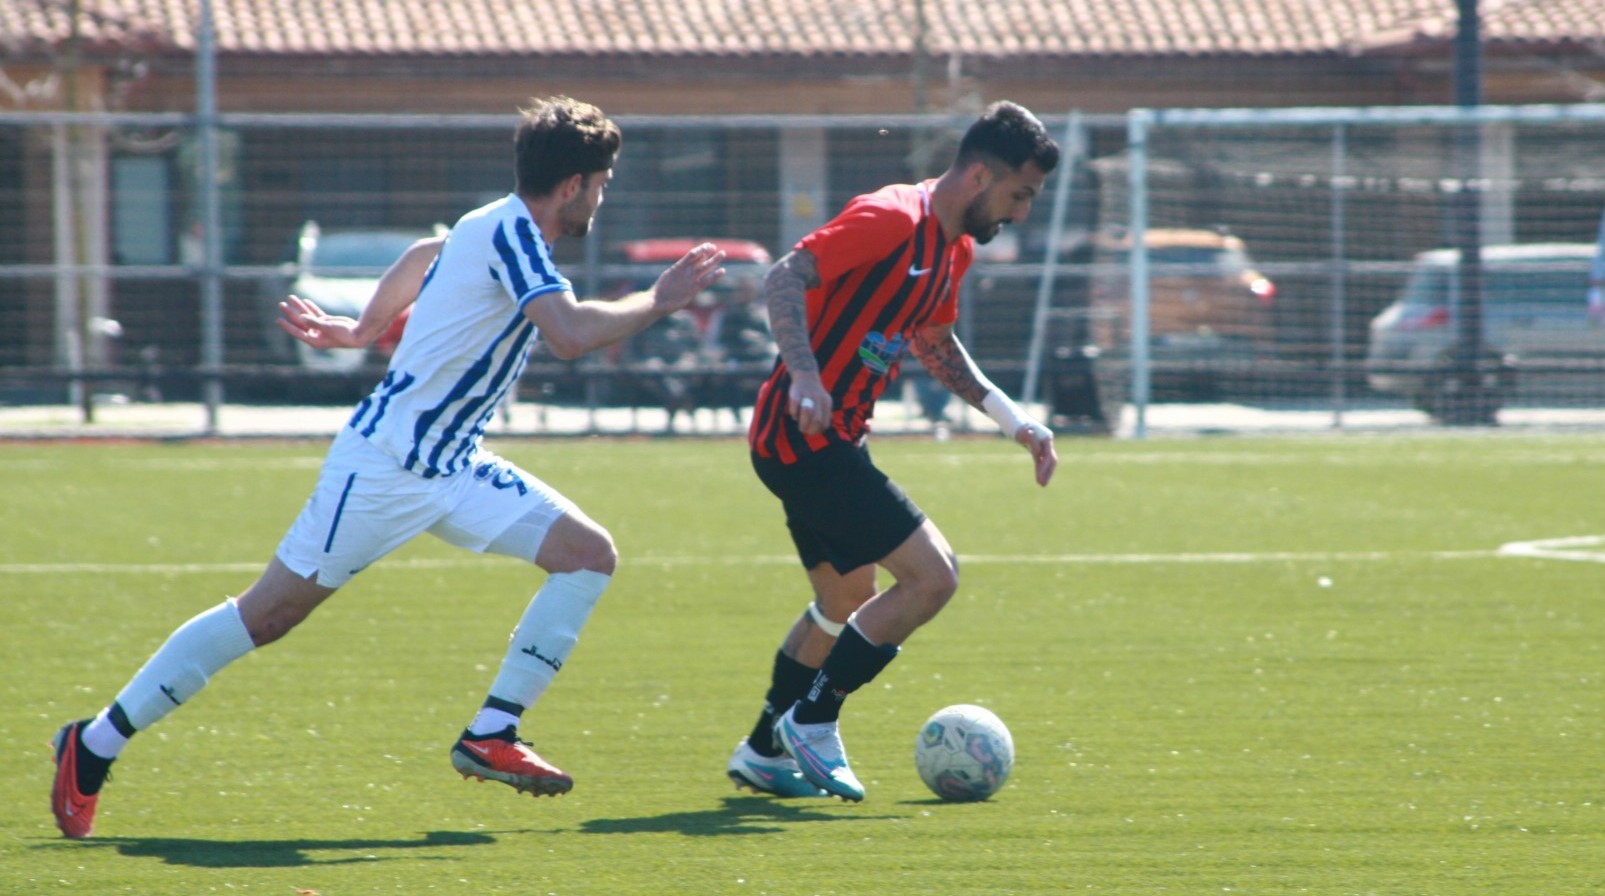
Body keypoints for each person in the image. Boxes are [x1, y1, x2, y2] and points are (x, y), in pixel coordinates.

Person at [48, 96, 726, 839]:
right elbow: (566, 334)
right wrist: (658, 301)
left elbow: (424, 256)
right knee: (267, 614)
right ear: (572, 185)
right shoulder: (516, 232)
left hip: (451, 466)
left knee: (587, 555)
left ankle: (491, 733)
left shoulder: (491, 223)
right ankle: (94, 743)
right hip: (385, 465)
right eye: (601, 181)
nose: (603, 195)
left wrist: (366, 328)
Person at [726, 101, 1059, 802]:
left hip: (826, 440)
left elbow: (932, 342)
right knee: (932, 578)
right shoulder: (889, 218)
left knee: (845, 597)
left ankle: (763, 748)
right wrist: (808, 376)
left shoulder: (954, 248)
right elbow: (785, 275)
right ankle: (812, 721)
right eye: (1018, 194)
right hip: (803, 437)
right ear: (976, 175)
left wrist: (1010, 419)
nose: (1021, 213)